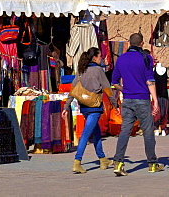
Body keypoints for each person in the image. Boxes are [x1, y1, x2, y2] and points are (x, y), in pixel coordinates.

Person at [110, 33, 163, 175]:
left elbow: (114, 82)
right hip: (142, 99)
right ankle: (152, 163)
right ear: (141, 43)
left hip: (127, 100)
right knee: (148, 131)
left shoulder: (121, 59)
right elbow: (150, 81)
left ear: (129, 43)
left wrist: (126, 89)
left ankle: (118, 162)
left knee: (125, 131)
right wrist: (155, 100)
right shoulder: (146, 58)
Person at [69, 47, 117, 174]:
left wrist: (66, 106)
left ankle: (103, 159)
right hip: (94, 107)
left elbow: (72, 90)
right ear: (94, 57)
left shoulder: (81, 70)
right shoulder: (98, 70)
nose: (101, 58)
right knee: (86, 134)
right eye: (100, 55)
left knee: (96, 132)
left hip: (84, 106)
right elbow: (107, 89)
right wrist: (115, 104)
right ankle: (77, 161)